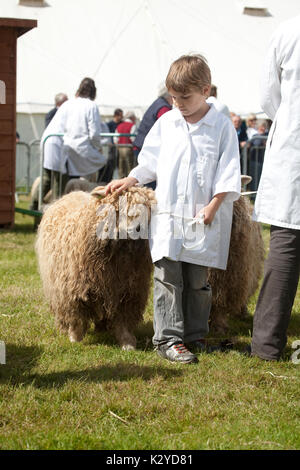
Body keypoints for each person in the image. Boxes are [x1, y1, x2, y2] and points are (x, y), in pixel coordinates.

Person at [105, 54, 241, 364]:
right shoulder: (167, 123)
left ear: (205, 90)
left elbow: (229, 169)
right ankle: (167, 338)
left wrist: (214, 204)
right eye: (173, 97)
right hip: (168, 216)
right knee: (167, 276)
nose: (177, 103)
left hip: (200, 216)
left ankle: (195, 334)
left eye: (184, 97)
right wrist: (130, 179)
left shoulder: (220, 126)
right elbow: (150, 161)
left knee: (197, 280)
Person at [251, 15, 300, 361]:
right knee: (285, 247)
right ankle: (266, 344)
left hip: (294, 149)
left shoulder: (288, 30)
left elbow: (268, 95)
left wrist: (288, 119)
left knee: (285, 248)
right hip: (293, 155)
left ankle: (267, 346)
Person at [57, 77, 107, 180]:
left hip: (68, 149)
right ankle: (103, 192)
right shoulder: (91, 105)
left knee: (71, 182)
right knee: (106, 165)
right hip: (84, 149)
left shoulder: (68, 104)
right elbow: (94, 133)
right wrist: (98, 147)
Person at [133, 86, 173, 189]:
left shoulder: (157, 104)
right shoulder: (163, 108)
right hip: (148, 150)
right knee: (150, 186)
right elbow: (167, 130)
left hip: (140, 145)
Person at [98, 109, 124, 184]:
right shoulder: (108, 125)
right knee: (109, 164)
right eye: (120, 115)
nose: (121, 117)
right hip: (108, 149)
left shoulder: (122, 124)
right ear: (116, 115)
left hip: (117, 147)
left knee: (116, 166)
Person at [248, 119, 268, 193]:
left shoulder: (267, 135)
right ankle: (254, 195)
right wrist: (261, 136)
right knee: (255, 177)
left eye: (264, 126)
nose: (263, 128)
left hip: (264, 161)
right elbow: (257, 143)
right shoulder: (255, 136)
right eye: (261, 126)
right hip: (255, 161)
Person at [115, 111, 137, 178]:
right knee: (130, 167)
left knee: (121, 167)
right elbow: (133, 138)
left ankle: (120, 181)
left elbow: (115, 139)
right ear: (132, 118)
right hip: (128, 147)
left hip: (120, 148)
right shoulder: (132, 125)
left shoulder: (119, 125)